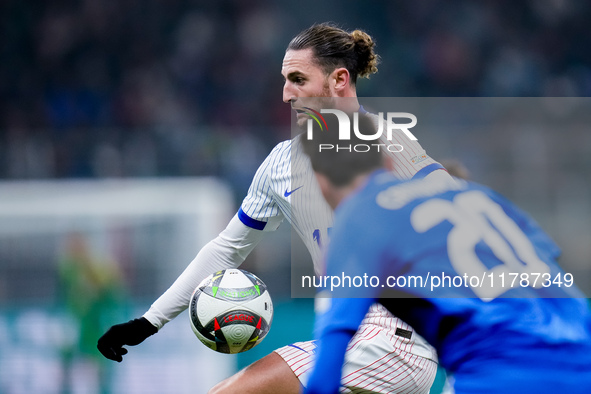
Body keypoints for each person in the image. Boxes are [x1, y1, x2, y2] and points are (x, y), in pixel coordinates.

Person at [98, 23, 451, 393]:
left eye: (298, 79)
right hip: (351, 340)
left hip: (390, 341)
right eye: (285, 80)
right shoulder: (282, 163)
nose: (286, 94)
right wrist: (150, 321)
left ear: (340, 80)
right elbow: (227, 248)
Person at [300, 114, 591, 393]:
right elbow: (551, 264)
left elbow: (325, 376)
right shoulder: (478, 194)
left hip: (502, 374)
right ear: (388, 163)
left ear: (320, 181)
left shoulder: (358, 220)